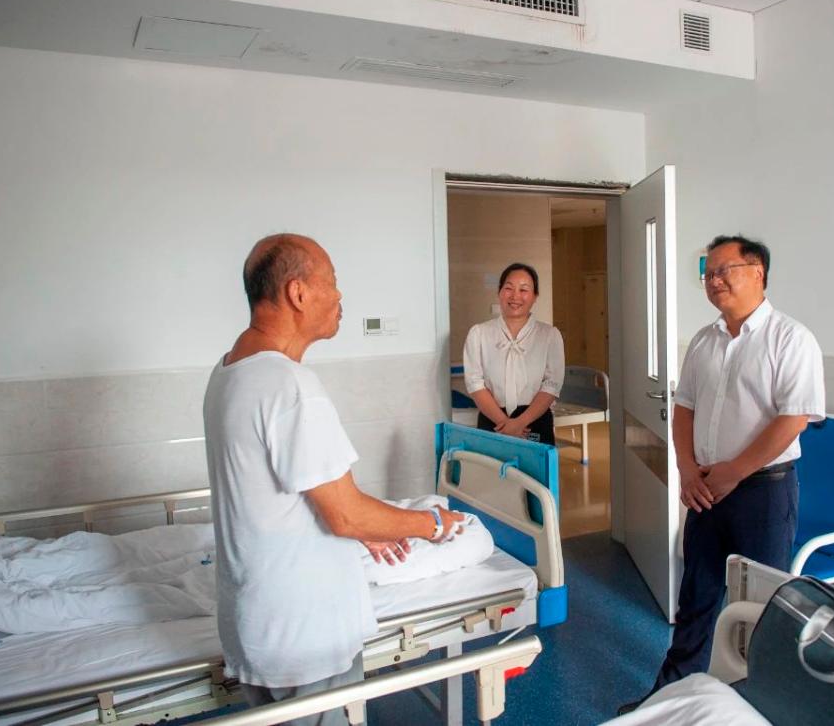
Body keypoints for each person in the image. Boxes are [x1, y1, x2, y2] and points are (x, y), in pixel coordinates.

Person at [203, 233, 465, 725]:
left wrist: (368, 529)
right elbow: (345, 513)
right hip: (303, 637)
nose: (340, 295)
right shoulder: (288, 384)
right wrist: (433, 524)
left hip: (258, 624)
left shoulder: (230, 370)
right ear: (298, 293)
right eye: (332, 281)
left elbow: (281, 494)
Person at [620, 235, 825, 714]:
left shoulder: (791, 338)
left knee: (762, 609)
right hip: (706, 490)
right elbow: (684, 408)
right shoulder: (705, 340)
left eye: (723, 270)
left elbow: (793, 419)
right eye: (708, 273)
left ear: (758, 272)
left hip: (763, 492)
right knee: (697, 597)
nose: (713, 280)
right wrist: (686, 469)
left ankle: (758, 711)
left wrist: (733, 472)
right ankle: (669, 699)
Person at [462, 262, 565, 445]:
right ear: (499, 292)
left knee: (533, 465)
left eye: (524, 289)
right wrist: (505, 423)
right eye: (509, 288)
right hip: (492, 420)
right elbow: (475, 383)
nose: (515, 296)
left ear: (535, 296)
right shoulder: (479, 333)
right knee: (489, 465)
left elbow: (551, 385)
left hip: (534, 421)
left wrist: (520, 423)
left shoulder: (549, 335)